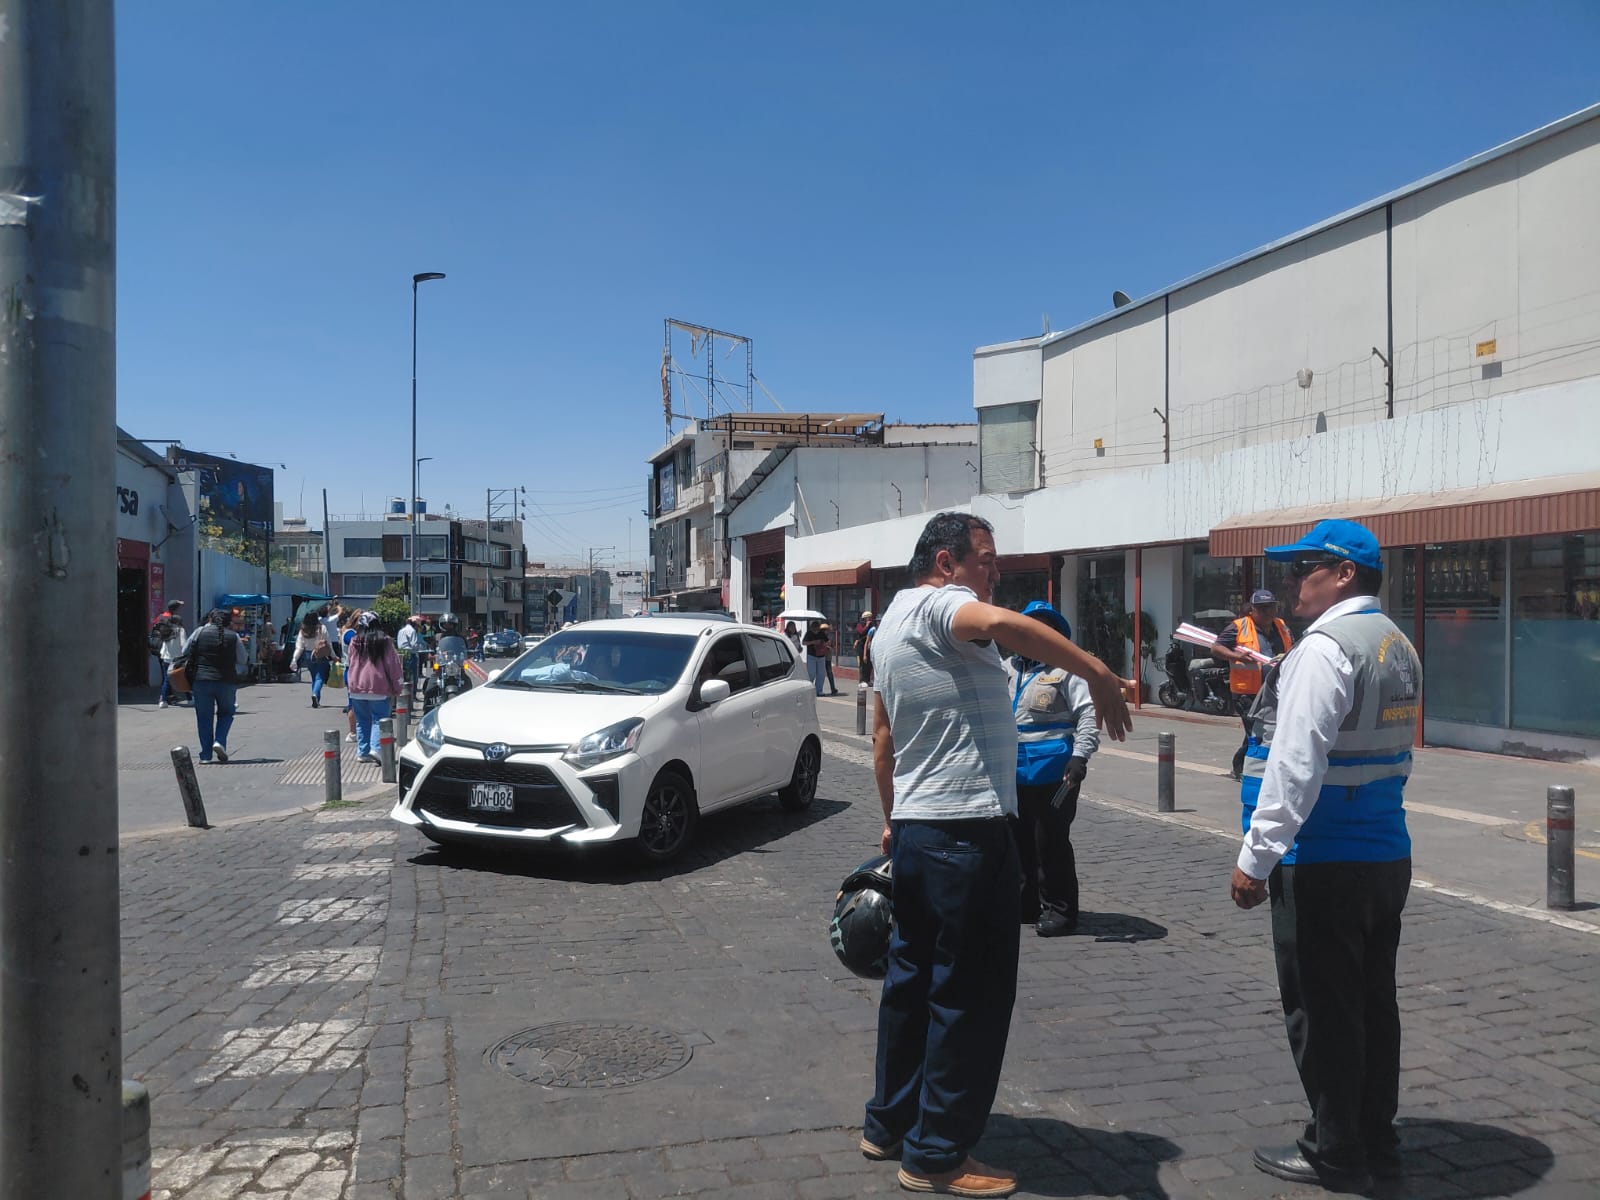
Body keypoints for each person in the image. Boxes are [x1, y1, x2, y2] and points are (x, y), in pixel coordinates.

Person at [862, 512, 1133, 1198]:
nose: (995, 573)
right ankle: (936, 1155)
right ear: (946, 562)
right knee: (970, 995)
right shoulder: (941, 605)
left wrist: (893, 822)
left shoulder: (890, 624)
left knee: (910, 984)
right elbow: (1007, 625)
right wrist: (1097, 670)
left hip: (920, 830)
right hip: (967, 832)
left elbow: (882, 740)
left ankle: (889, 1123)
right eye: (986, 560)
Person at [1227, 519, 1421, 1190]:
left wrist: (1255, 858)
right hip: (1384, 852)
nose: (1289, 583)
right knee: (1372, 1004)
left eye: (1302, 567)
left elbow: (1294, 766)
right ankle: (1374, 1136)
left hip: (1322, 858)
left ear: (1343, 574)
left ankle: (1336, 1149)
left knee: (1322, 1010)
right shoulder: (1395, 643)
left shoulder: (1324, 648)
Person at [1006, 601, 1100, 936]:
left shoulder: (1067, 670)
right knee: (1018, 840)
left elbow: (1088, 714)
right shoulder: (1007, 668)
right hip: (1014, 771)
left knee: (1050, 841)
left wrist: (1080, 757)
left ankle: (1060, 910)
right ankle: (1026, 903)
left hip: (1056, 774)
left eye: (1043, 627)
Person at [1213, 588, 1294, 780]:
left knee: (1259, 731)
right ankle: (1251, 769)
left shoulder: (1281, 626)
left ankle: (1241, 763)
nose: (1268, 612)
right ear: (1252, 610)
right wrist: (1237, 656)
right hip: (1247, 692)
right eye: (1263, 608)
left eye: (1271, 607)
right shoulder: (1239, 626)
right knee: (1256, 731)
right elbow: (1216, 648)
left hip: (1274, 690)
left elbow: (1292, 646)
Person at [182, 607, 248, 764]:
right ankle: (219, 741)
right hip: (226, 681)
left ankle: (205, 756)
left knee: (204, 718)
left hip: (201, 681)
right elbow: (243, 659)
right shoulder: (234, 636)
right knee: (226, 714)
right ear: (228, 622)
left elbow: (184, 651)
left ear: (210, 619)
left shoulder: (199, 632)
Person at [345, 611, 403, 764]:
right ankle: (376, 749)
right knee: (379, 719)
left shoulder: (354, 641)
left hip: (356, 687)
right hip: (378, 687)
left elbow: (350, 662)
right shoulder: (384, 641)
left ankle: (363, 752)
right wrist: (397, 686)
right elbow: (393, 666)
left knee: (362, 720)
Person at [292, 612, 334, 707]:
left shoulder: (303, 630)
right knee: (320, 677)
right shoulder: (322, 628)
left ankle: (316, 699)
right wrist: (334, 656)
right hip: (321, 654)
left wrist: (294, 659)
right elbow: (329, 644)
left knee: (314, 677)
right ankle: (315, 694)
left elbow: (299, 647)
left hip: (308, 655)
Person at [152, 600, 187, 708]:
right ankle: (168, 697)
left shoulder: (161, 617)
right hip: (174, 653)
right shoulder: (174, 621)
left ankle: (165, 697)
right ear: (175, 608)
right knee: (177, 675)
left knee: (166, 676)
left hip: (163, 650)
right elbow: (183, 643)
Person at [801, 619, 830, 696]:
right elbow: (803, 643)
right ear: (812, 628)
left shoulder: (822, 633)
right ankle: (809, 689)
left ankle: (819, 690)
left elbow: (828, 641)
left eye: (817, 628)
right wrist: (813, 642)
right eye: (815, 628)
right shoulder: (809, 633)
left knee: (821, 674)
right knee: (811, 673)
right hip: (811, 655)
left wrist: (824, 644)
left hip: (821, 656)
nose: (816, 630)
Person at [396, 614, 424, 691]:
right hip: (410, 654)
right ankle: (412, 692)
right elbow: (414, 645)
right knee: (413, 674)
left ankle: (401, 690)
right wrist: (421, 647)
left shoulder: (401, 630)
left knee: (402, 674)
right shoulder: (412, 631)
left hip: (401, 653)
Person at [853, 610, 877, 687]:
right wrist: (866, 626)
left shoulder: (871, 625)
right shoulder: (859, 625)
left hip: (868, 646)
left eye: (870, 618)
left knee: (869, 664)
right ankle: (861, 680)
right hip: (861, 646)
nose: (869, 619)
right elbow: (861, 632)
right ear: (864, 618)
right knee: (862, 664)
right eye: (868, 618)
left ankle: (868, 680)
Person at [819, 620, 841, 695]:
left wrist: (829, 647)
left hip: (827, 656)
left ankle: (832, 688)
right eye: (824, 630)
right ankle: (820, 688)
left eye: (826, 630)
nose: (825, 631)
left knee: (829, 672)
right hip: (821, 656)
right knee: (821, 673)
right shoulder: (821, 636)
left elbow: (832, 645)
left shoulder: (829, 636)